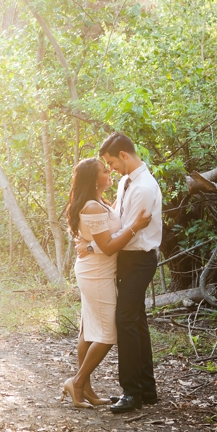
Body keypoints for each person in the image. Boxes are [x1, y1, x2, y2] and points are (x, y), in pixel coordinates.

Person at [64, 158, 153, 409]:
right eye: (105, 171)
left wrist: (89, 244)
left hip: (98, 270)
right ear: (95, 179)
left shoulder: (101, 203)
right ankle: (78, 382)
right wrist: (135, 227)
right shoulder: (92, 207)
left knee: (88, 328)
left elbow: (106, 231)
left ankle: (87, 389)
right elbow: (109, 245)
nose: (110, 172)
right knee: (106, 333)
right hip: (96, 274)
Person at [97, 131, 163, 413]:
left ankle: (131, 392)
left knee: (124, 320)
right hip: (127, 259)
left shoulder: (144, 188)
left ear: (123, 155)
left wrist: (96, 245)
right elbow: (119, 219)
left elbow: (127, 231)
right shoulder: (126, 181)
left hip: (139, 259)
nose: (110, 169)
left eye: (111, 162)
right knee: (136, 321)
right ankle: (147, 390)